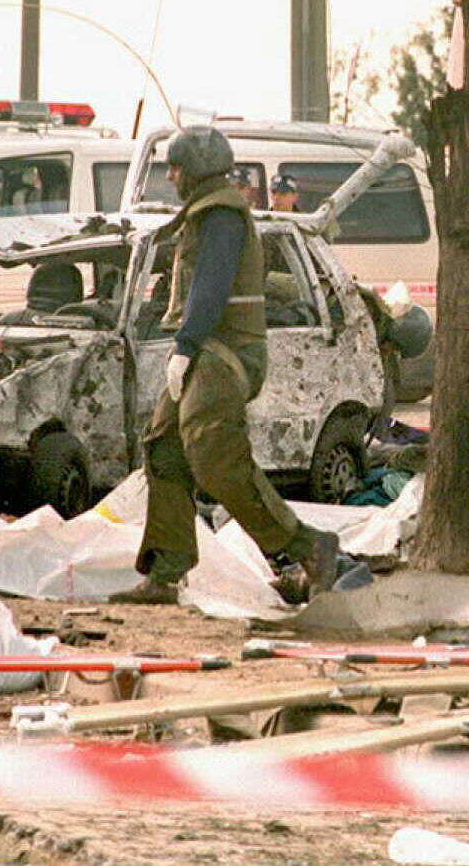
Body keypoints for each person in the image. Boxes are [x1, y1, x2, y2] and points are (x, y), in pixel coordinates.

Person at [111, 125, 363, 605]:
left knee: (215, 458)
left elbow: (211, 285)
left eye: (176, 167)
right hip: (210, 350)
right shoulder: (208, 212)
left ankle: (309, 549)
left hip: (223, 352)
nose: (171, 176)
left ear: (195, 169)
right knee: (164, 448)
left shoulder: (221, 214)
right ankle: (166, 572)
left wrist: (185, 346)